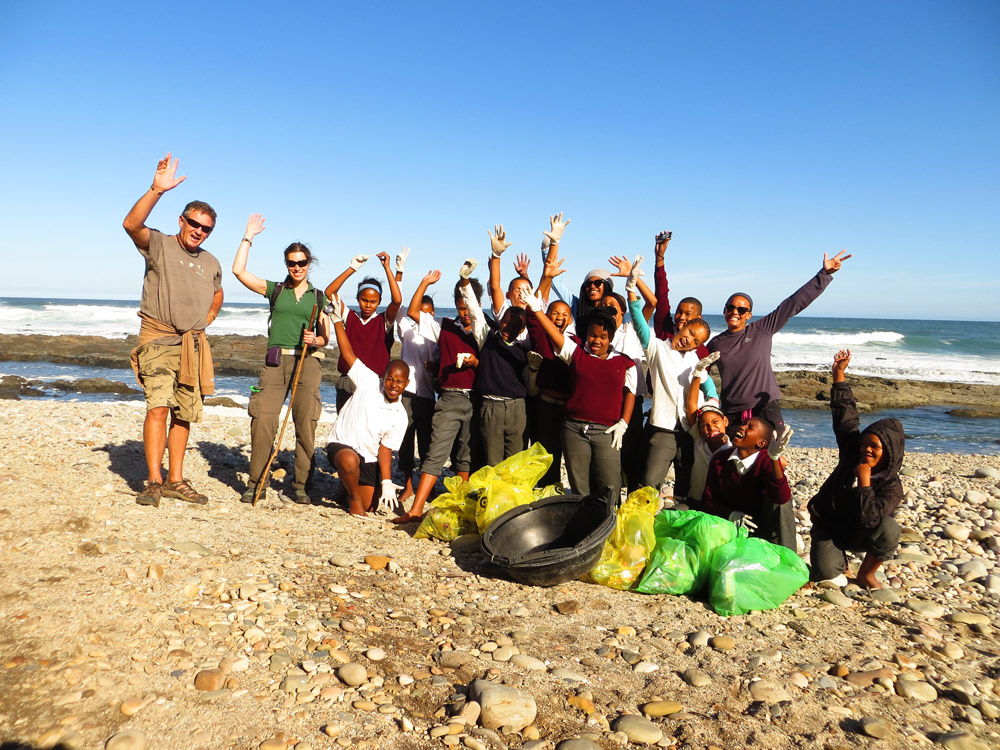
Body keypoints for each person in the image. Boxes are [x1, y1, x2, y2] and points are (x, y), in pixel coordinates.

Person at [123, 153, 223, 508]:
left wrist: (209, 315)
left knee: (184, 413)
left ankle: (175, 480)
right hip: (158, 340)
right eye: (194, 223)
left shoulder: (211, 261)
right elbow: (131, 225)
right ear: (181, 221)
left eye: (206, 227)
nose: (199, 231)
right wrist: (156, 189)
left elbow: (218, 291)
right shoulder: (160, 245)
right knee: (159, 408)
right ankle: (153, 479)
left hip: (192, 347)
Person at [232, 214, 330, 505]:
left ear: (309, 264)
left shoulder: (319, 297)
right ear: (286, 264)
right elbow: (239, 271)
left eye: (302, 262)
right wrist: (248, 236)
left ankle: (300, 485)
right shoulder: (275, 290)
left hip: (306, 362)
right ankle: (256, 482)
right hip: (276, 362)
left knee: (305, 423)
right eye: (291, 262)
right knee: (263, 421)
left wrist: (317, 340)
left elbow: (326, 337)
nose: (297, 267)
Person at [706, 250, 853, 437]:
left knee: (771, 459)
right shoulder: (715, 344)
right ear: (724, 310)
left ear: (749, 314)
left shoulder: (762, 329)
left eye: (742, 309)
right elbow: (699, 373)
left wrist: (824, 274)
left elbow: (793, 303)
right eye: (731, 307)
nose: (736, 311)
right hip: (732, 413)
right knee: (735, 462)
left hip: (766, 408)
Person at [521, 287, 636, 499]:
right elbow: (554, 335)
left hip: (607, 432)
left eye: (603, 337)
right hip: (573, 429)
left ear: (611, 338)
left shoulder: (624, 362)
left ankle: (610, 525)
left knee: (610, 484)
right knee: (579, 485)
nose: (597, 341)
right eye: (592, 335)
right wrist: (537, 309)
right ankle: (583, 524)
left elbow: (631, 393)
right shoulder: (577, 354)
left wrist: (624, 423)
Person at [392, 262, 483, 523]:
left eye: (469, 306)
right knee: (435, 453)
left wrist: (475, 363)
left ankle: (460, 506)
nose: (465, 312)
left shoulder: (484, 327)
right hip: (450, 396)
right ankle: (416, 509)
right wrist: (424, 283)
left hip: (476, 397)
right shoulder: (443, 325)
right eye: (461, 306)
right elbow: (412, 311)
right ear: (456, 305)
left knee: (465, 455)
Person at [807, 350, 905, 589]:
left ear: (889, 452)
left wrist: (865, 482)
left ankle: (866, 574)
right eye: (864, 444)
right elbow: (846, 418)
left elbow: (870, 521)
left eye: (875, 447)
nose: (866, 450)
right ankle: (839, 560)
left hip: (861, 532)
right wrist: (839, 375)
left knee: (890, 529)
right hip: (830, 526)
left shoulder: (892, 486)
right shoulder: (852, 453)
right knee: (827, 573)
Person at [623, 257, 714, 494]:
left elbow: (709, 385)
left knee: (687, 483)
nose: (689, 340)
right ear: (682, 326)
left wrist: (713, 403)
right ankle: (638, 522)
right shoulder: (657, 349)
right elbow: (640, 323)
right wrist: (631, 289)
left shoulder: (695, 359)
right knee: (649, 483)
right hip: (662, 430)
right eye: (690, 332)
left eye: (696, 341)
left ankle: (678, 523)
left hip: (689, 429)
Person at [324, 296, 409, 517]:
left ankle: (349, 490)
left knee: (371, 505)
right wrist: (336, 321)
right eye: (390, 379)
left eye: (399, 382)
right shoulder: (370, 380)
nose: (393, 385)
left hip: (368, 458)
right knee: (349, 462)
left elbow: (385, 449)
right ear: (384, 377)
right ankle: (352, 500)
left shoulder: (400, 415)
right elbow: (348, 353)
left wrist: (388, 480)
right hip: (342, 445)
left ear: (405, 385)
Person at [461, 271, 531, 466]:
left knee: (515, 459)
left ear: (523, 329)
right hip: (491, 405)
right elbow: (474, 313)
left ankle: (512, 496)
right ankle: (494, 496)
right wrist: (465, 283)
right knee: (492, 459)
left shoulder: (527, 346)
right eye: (505, 320)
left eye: (515, 324)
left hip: (517, 406)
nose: (508, 325)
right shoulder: (488, 337)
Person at [699, 417, 796, 550]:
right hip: (729, 525)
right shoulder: (720, 460)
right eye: (743, 423)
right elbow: (707, 500)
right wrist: (731, 515)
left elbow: (781, 498)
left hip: (760, 527)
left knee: (783, 504)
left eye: (749, 427)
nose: (742, 427)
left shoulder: (767, 460)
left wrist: (774, 459)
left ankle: (789, 557)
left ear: (761, 443)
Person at [325, 252, 403, 411]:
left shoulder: (384, 320)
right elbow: (329, 292)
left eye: (373, 301)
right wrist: (353, 268)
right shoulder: (350, 316)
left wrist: (387, 268)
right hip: (348, 382)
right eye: (364, 300)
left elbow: (397, 300)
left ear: (379, 301)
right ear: (357, 298)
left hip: (375, 384)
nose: (368, 305)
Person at [395, 280, 439, 503]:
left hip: (428, 395)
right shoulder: (407, 330)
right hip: (407, 393)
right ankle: (408, 484)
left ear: (434, 313)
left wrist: (436, 368)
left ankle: (426, 486)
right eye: (420, 314)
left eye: (429, 314)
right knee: (405, 440)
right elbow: (399, 304)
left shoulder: (436, 335)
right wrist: (400, 274)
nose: (424, 319)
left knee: (426, 442)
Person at [682, 353, 731, 503]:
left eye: (715, 422)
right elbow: (691, 404)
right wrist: (697, 373)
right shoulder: (699, 440)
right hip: (696, 499)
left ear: (725, 421)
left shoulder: (733, 449)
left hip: (719, 503)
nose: (711, 427)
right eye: (705, 425)